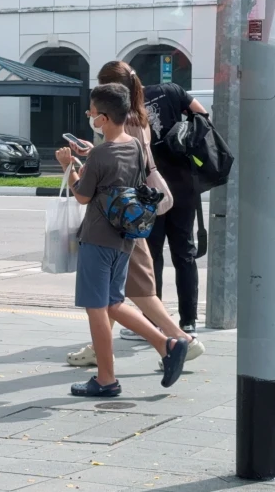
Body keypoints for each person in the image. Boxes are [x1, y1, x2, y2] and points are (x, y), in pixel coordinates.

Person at [65, 61, 205, 369]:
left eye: (94, 108)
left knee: (130, 292)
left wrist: (77, 166)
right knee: (117, 293)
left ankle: (179, 341)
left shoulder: (125, 124)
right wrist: (97, 152)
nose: (90, 114)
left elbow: (93, 187)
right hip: (129, 212)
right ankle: (103, 350)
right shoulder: (136, 115)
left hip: (116, 218)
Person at [143, 81, 209, 334]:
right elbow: (202, 114)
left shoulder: (130, 104)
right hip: (183, 184)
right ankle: (188, 321)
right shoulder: (172, 90)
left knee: (153, 256)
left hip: (151, 188)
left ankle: (153, 321)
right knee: (184, 254)